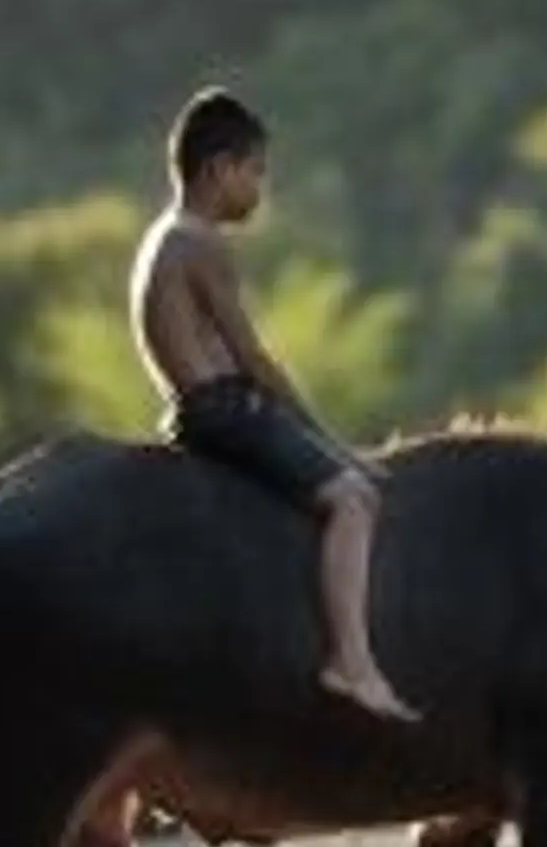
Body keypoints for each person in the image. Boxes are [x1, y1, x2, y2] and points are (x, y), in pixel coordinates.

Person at [129, 86, 418, 723]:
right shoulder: (200, 242)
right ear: (218, 169)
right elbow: (254, 360)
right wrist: (332, 445)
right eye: (255, 172)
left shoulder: (160, 237)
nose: (260, 189)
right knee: (353, 499)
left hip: (189, 407)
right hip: (221, 408)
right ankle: (353, 661)